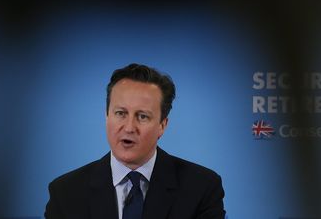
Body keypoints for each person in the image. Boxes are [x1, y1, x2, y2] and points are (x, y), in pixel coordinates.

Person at [45, 63, 226, 219]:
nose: (129, 127)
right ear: (106, 116)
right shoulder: (65, 193)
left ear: (162, 125)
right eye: (121, 113)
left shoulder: (202, 188)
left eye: (142, 116)